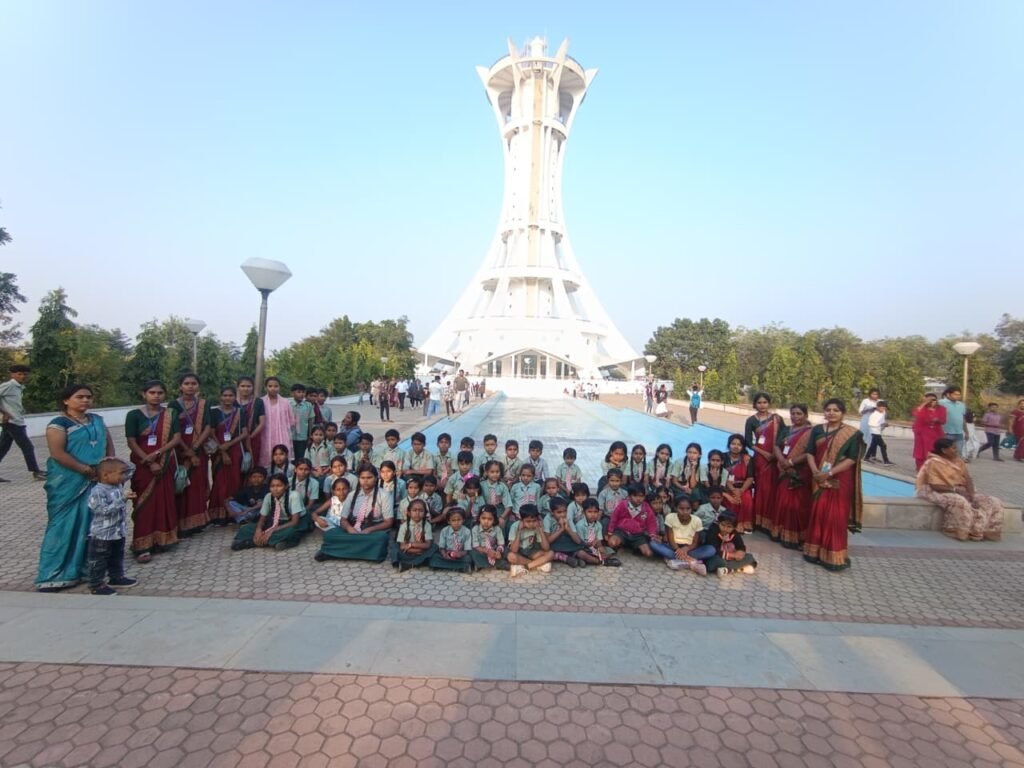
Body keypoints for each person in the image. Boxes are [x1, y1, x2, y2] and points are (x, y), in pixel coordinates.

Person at [35, 384, 115, 592]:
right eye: (80, 397)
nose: (85, 400)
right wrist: (85, 470)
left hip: (97, 479)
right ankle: (54, 573)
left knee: (92, 524)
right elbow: (58, 453)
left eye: (88, 397)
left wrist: (108, 468)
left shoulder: (97, 420)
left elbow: (108, 445)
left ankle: (88, 569)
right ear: (66, 400)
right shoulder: (58, 424)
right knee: (62, 525)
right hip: (68, 481)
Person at [803, 398, 863, 572]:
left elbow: (852, 458)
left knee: (835, 516)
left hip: (839, 479)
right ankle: (814, 552)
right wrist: (816, 472)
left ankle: (834, 556)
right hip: (818, 477)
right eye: (828, 410)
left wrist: (828, 473)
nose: (831, 413)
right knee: (819, 513)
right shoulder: (817, 430)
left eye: (836, 410)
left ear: (843, 413)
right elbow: (810, 453)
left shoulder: (852, 434)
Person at [125, 380, 181, 564]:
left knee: (165, 500)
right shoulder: (134, 415)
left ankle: (164, 539)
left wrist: (157, 454)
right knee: (144, 503)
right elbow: (131, 441)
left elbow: (176, 438)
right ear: (144, 394)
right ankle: (142, 545)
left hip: (165, 462)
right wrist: (148, 461)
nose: (156, 396)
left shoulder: (170, 414)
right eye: (152, 392)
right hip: (143, 464)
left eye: (160, 393)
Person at [916, 438, 1004, 541]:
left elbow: (968, 479)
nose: (957, 450)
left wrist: (971, 494)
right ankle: (955, 530)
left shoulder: (958, 461)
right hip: (939, 491)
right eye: (953, 448)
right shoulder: (933, 462)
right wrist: (957, 491)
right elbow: (934, 485)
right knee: (960, 501)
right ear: (944, 450)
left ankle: (986, 531)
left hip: (961, 490)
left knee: (993, 501)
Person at [315, 465, 393, 562]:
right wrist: (349, 529)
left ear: (376, 478)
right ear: (359, 479)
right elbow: (343, 520)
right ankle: (366, 553)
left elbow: (388, 522)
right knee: (329, 535)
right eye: (362, 478)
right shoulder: (352, 495)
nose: (365, 481)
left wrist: (369, 530)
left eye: (369, 477)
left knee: (381, 538)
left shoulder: (385, 495)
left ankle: (333, 552)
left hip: (372, 530)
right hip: (353, 528)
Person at [85, 458, 139, 595]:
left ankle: (116, 577)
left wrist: (112, 460)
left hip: (118, 532)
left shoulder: (117, 486)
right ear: (105, 475)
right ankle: (96, 585)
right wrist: (122, 499)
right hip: (102, 535)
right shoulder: (98, 491)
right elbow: (103, 511)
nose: (124, 476)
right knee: (99, 561)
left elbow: (131, 468)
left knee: (117, 557)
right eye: (121, 473)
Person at [169, 372, 212, 535]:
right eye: (186, 383)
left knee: (197, 484)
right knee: (182, 484)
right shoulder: (174, 405)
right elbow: (171, 429)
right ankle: (181, 523)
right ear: (180, 386)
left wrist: (194, 449)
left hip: (199, 450)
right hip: (179, 451)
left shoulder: (203, 404)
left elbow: (207, 427)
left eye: (193, 383)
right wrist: (187, 451)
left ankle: (198, 521)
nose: (190, 386)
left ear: (198, 386)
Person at [771, 404, 814, 548]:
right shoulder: (786, 430)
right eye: (793, 413)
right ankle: (781, 533)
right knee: (783, 501)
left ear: (806, 415)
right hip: (784, 470)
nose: (795, 416)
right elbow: (776, 446)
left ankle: (799, 536)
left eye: (799, 414)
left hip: (799, 473)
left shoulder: (811, 432)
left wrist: (790, 462)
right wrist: (782, 461)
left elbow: (810, 452)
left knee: (798, 505)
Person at [232, 472, 306, 551]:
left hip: (294, 522)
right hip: (276, 522)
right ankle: (276, 542)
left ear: (286, 486)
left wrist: (272, 530)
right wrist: (258, 530)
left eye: (279, 486)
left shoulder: (294, 496)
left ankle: (251, 542)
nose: (275, 489)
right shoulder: (268, 496)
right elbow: (262, 518)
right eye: (272, 486)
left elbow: (295, 522)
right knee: (246, 529)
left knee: (291, 532)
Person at [745, 392, 784, 534]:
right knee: (761, 489)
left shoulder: (777, 419)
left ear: (769, 403)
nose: (762, 405)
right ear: (755, 404)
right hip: (761, 459)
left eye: (765, 402)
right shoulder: (751, 420)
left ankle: (771, 521)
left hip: (776, 457)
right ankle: (758, 521)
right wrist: (764, 453)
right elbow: (748, 442)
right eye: (759, 403)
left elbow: (784, 436)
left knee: (774, 490)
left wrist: (777, 454)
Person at [208, 385, 248, 524]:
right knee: (219, 482)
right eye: (225, 395)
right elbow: (211, 432)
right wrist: (222, 450)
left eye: (230, 395)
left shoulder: (240, 412)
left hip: (235, 450)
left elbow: (244, 433)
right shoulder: (214, 412)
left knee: (235, 480)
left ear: (235, 397)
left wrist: (229, 444)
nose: (228, 398)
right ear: (220, 397)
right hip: (218, 450)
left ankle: (233, 513)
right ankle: (218, 514)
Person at [0, 364, 47, 482]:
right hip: (12, 422)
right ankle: (36, 472)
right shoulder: (9, 385)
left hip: (16, 421)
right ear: (12, 375)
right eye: (19, 374)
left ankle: (36, 472)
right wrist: (5, 413)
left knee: (3, 448)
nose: (22, 376)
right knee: (27, 447)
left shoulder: (19, 387)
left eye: (25, 374)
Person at [658, 496, 714, 575]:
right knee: (653, 544)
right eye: (681, 509)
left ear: (691, 509)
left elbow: (695, 543)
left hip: (689, 549)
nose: (685, 512)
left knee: (711, 549)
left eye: (688, 509)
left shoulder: (697, 520)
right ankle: (691, 562)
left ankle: (678, 561)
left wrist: (686, 549)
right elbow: (670, 540)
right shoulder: (670, 517)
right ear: (676, 508)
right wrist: (678, 550)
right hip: (673, 548)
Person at [606, 483, 657, 558]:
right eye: (635, 496)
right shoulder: (623, 505)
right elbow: (614, 517)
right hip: (622, 532)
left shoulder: (646, 508)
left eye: (641, 496)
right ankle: (623, 544)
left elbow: (651, 523)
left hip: (638, 535)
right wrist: (610, 531)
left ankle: (632, 547)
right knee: (612, 543)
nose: (638, 499)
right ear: (629, 496)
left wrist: (652, 535)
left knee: (648, 553)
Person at [704, 510, 757, 576]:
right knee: (717, 562)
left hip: (730, 558)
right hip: (717, 557)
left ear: (734, 528)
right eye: (723, 525)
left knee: (750, 557)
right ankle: (736, 569)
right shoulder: (713, 530)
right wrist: (732, 555)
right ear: (719, 523)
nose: (725, 529)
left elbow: (741, 546)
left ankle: (727, 570)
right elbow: (714, 550)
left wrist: (740, 553)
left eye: (729, 527)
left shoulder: (734, 533)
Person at [258, 377, 295, 469]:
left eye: (276, 386)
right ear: (265, 387)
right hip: (265, 436)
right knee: (266, 462)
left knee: (282, 460)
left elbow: (291, 420)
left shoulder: (285, 402)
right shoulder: (260, 402)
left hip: (282, 436)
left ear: (279, 387)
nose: (273, 388)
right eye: (270, 386)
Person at [507, 505, 554, 576]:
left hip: (530, 551)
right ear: (521, 520)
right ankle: (538, 564)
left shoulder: (537, 526)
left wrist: (541, 530)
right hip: (519, 552)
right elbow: (514, 550)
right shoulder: (515, 526)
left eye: (534, 521)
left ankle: (526, 566)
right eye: (528, 521)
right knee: (511, 556)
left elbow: (546, 548)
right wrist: (519, 531)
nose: (531, 524)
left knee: (550, 553)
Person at [391, 499, 436, 572]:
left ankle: (410, 564)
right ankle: (416, 563)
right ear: (409, 513)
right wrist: (417, 550)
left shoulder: (427, 525)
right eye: (414, 510)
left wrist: (411, 544)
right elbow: (402, 546)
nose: (417, 513)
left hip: (421, 552)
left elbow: (427, 545)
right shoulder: (404, 526)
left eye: (421, 511)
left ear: (425, 513)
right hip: (408, 553)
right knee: (395, 546)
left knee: (434, 547)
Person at [723, 435, 754, 534]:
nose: (736, 446)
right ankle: (731, 524)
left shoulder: (747, 459)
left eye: (739, 444)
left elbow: (750, 478)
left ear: (743, 447)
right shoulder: (723, 457)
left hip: (743, 488)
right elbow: (722, 476)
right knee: (732, 501)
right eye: (733, 444)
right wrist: (733, 490)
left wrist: (740, 491)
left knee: (747, 500)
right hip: (727, 487)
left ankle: (744, 525)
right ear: (729, 445)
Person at [236, 376, 265, 480]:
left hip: (253, 439)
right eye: (243, 386)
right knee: (235, 467)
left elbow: (262, 423)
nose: (246, 388)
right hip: (235, 441)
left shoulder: (258, 402)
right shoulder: (233, 402)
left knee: (251, 465)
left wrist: (250, 437)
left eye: (249, 386)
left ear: (253, 387)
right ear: (238, 387)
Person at [429, 507, 474, 572]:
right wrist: (444, 554)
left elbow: (467, 549)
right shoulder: (444, 531)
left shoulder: (467, 531)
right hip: (447, 553)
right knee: (434, 557)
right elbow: (442, 547)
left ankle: (448, 566)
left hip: (460, 555)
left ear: (463, 520)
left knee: (468, 558)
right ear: (449, 521)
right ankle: (458, 566)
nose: (456, 522)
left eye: (459, 520)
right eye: (453, 520)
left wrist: (460, 554)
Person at [912, 393, 947, 470]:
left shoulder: (941, 409)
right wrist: (924, 403)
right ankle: (921, 470)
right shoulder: (922, 408)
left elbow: (943, 420)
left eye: (933, 400)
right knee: (921, 453)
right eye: (929, 400)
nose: (931, 402)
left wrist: (937, 420)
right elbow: (916, 414)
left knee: (936, 452)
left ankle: (934, 470)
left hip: (936, 433)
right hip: (922, 434)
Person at [470, 506, 507, 570]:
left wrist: (498, 551)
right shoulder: (475, 529)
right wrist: (487, 551)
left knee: (505, 550)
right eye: (483, 518)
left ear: (494, 520)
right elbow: (476, 546)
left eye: (490, 519)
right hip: (481, 550)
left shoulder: (497, 529)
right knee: (472, 551)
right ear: (479, 518)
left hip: (494, 550)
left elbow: (501, 543)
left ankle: (491, 563)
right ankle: (491, 564)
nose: (486, 521)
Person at [289, 383, 315, 461]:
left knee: (301, 458)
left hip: (303, 437)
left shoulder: (308, 405)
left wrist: (310, 436)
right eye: (299, 392)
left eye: (303, 392)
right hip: (290, 437)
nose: (301, 394)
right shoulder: (288, 405)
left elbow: (311, 421)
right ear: (292, 393)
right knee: (291, 458)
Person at [939, 387, 967, 458]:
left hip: (959, 433)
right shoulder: (941, 403)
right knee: (946, 453)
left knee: (958, 453)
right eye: (955, 394)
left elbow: (963, 419)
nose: (957, 396)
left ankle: (957, 465)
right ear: (948, 394)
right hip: (946, 433)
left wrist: (966, 432)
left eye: (959, 395)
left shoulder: (961, 405)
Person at [863, 401, 894, 465]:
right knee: (883, 446)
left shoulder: (882, 413)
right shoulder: (874, 415)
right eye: (882, 408)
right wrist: (882, 425)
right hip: (875, 432)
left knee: (873, 445)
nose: (883, 410)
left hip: (878, 432)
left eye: (884, 408)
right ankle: (886, 461)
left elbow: (882, 421)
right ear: (878, 407)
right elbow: (870, 424)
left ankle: (866, 458)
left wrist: (885, 424)